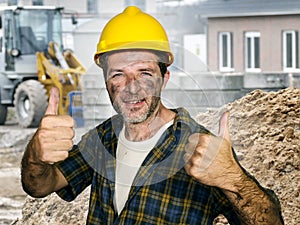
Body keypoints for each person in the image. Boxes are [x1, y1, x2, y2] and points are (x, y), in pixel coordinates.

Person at [21, 6, 284, 225]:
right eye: (118, 74)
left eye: (144, 73)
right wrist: (36, 153)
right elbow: (40, 185)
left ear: (164, 78)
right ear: (105, 82)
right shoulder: (103, 139)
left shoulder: (202, 149)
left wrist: (234, 179)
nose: (131, 87)